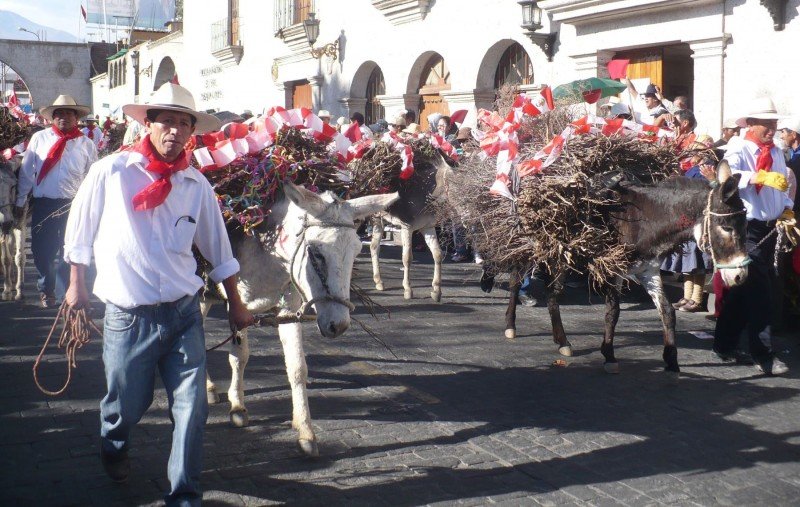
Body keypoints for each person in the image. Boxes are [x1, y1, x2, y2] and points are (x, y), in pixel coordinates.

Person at [62, 83, 254, 505]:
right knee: (125, 407)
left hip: (184, 313)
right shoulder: (111, 172)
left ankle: (184, 495)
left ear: (191, 133)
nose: (175, 130)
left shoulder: (196, 185)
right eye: (166, 120)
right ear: (147, 125)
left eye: (184, 123)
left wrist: (237, 304)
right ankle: (114, 443)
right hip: (129, 318)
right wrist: (77, 285)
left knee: (192, 410)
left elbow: (219, 250)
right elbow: (79, 232)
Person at [712, 96, 794, 376]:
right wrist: (756, 177)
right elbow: (725, 175)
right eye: (766, 125)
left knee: (742, 291)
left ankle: (724, 343)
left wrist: (786, 209)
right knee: (763, 292)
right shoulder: (738, 148)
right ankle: (763, 353)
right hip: (744, 231)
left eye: (774, 124)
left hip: (770, 228)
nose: (771, 130)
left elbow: (781, 187)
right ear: (751, 124)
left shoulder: (777, 153)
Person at [14, 94, 97, 308]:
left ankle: (63, 293)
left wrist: (92, 205)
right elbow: (26, 172)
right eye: (59, 113)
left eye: (69, 113)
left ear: (76, 117)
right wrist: (21, 200)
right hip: (45, 203)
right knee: (42, 251)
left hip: (73, 206)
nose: (64, 118)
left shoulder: (86, 144)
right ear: (52, 117)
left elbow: (92, 177)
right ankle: (46, 288)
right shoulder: (39, 139)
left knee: (69, 250)